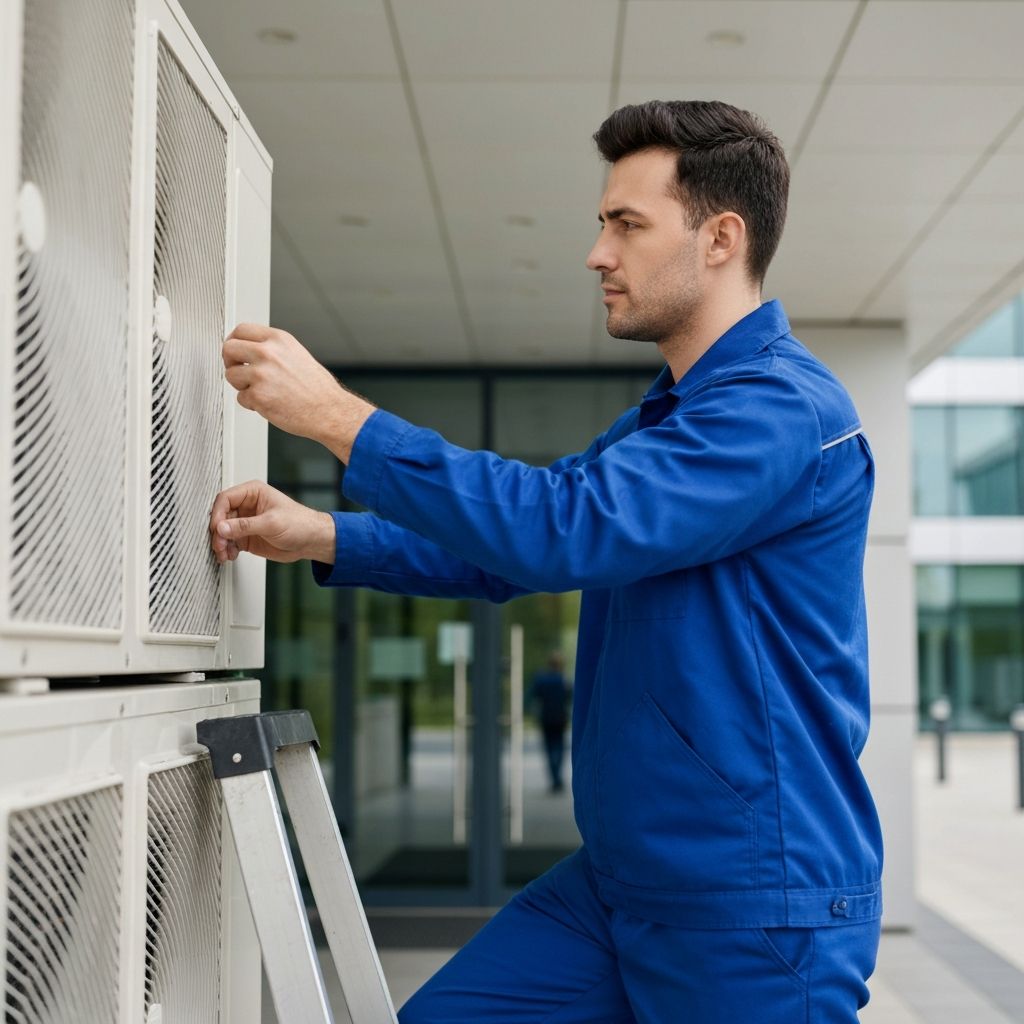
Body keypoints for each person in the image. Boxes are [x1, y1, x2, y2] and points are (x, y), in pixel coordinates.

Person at [210, 100, 883, 1023]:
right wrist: (325, 534)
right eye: (602, 224)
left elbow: (567, 529)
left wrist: (335, 415)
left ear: (721, 237)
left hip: (751, 906)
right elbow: (514, 549)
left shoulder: (779, 413)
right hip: (619, 884)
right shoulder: (670, 421)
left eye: (627, 224)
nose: (598, 253)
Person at [529, 651, 571, 792]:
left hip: (546, 718)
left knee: (549, 748)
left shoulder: (541, 679)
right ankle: (558, 778)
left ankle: (554, 778)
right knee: (559, 747)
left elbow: (533, 696)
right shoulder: (564, 680)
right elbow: (571, 698)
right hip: (560, 718)